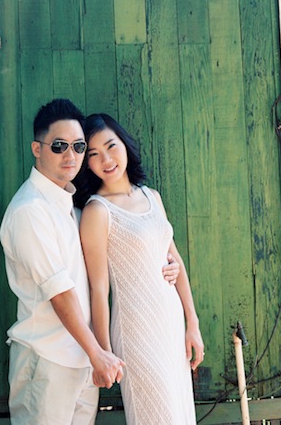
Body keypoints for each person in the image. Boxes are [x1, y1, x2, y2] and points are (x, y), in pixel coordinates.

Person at [0, 99, 178, 425]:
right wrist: (99, 353)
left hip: (82, 360)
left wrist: (164, 261)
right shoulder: (30, 210)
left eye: (79, 146)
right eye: (59, 146)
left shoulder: (73, 207)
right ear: (37, 149)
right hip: (47, 360)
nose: (71, 155)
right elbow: (59, 293)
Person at [75, 112, 204, 425]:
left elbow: (175, 260)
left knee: (179, 413)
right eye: (94, 154)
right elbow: (99, 289)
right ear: (87, 164)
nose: (106, 160)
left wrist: (192, 324)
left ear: (124, 144)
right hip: (136, 331)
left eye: (111, 146)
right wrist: (104, 352)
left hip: (170, 324)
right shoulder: (97, 211)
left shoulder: (151, 196)